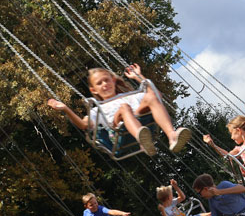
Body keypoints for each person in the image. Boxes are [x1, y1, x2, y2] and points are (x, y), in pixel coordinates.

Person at [47, 64, 191, 156]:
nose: (105, 84)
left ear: (113, 81)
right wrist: (66, 109)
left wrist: (138, 77)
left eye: (107, 80)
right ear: (93, 89)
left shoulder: (129, 96)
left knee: (150, 96)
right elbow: (84, 125)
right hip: (117, 131)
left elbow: (157, 97)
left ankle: (172, 136)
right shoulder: (98, 109)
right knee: (124, 108)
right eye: (99, 83)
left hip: (140, 117)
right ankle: (141, 138)